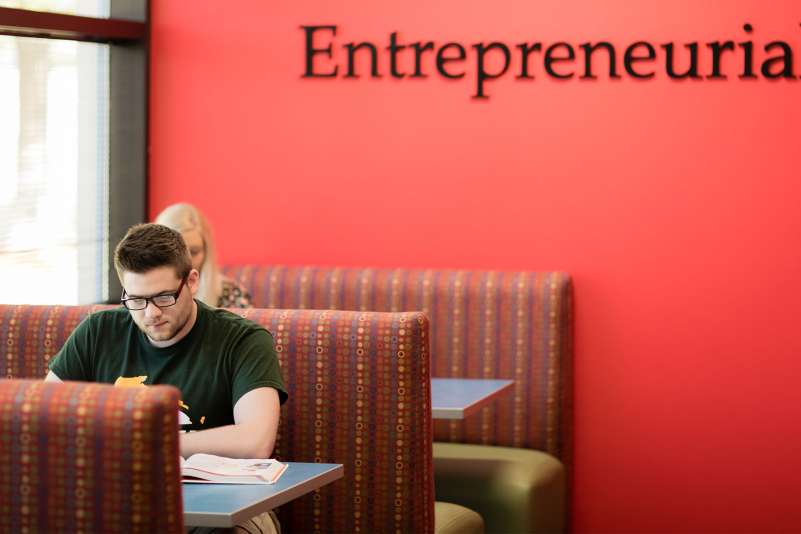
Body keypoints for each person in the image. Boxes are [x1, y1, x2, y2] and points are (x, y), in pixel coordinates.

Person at [45, 223, 286, 534]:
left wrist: (150, 443)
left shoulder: (242, 340)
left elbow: (255, 441)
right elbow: (44, 420)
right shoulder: (98, 332)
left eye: (163, 297)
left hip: (221, 506)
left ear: (192, 281)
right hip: (116, 498)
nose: (151, 313)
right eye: (137, 300)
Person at [155, 202, 252, 308]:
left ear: (206, 252)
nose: (187, 261)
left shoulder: (232, 295)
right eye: (177, 252)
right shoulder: (143, 294)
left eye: (194, 252)